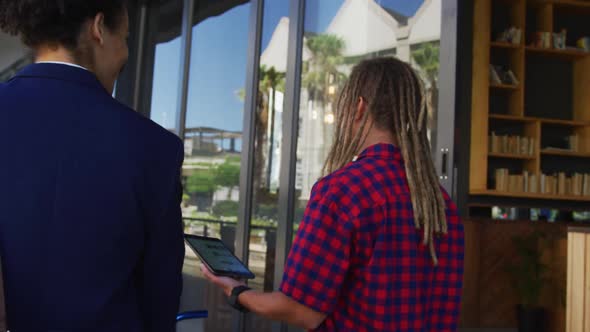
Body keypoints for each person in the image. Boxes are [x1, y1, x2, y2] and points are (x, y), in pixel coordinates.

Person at [202, 57, 464, 331]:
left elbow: (300, 310)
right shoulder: (440, 205)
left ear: (359, 107)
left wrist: (237, 291)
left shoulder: (343, 190)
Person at [0, 1, 185, 331]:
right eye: (126, 37)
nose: (126, 53)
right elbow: (160, 300)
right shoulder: (156, 149)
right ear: (99, 28)